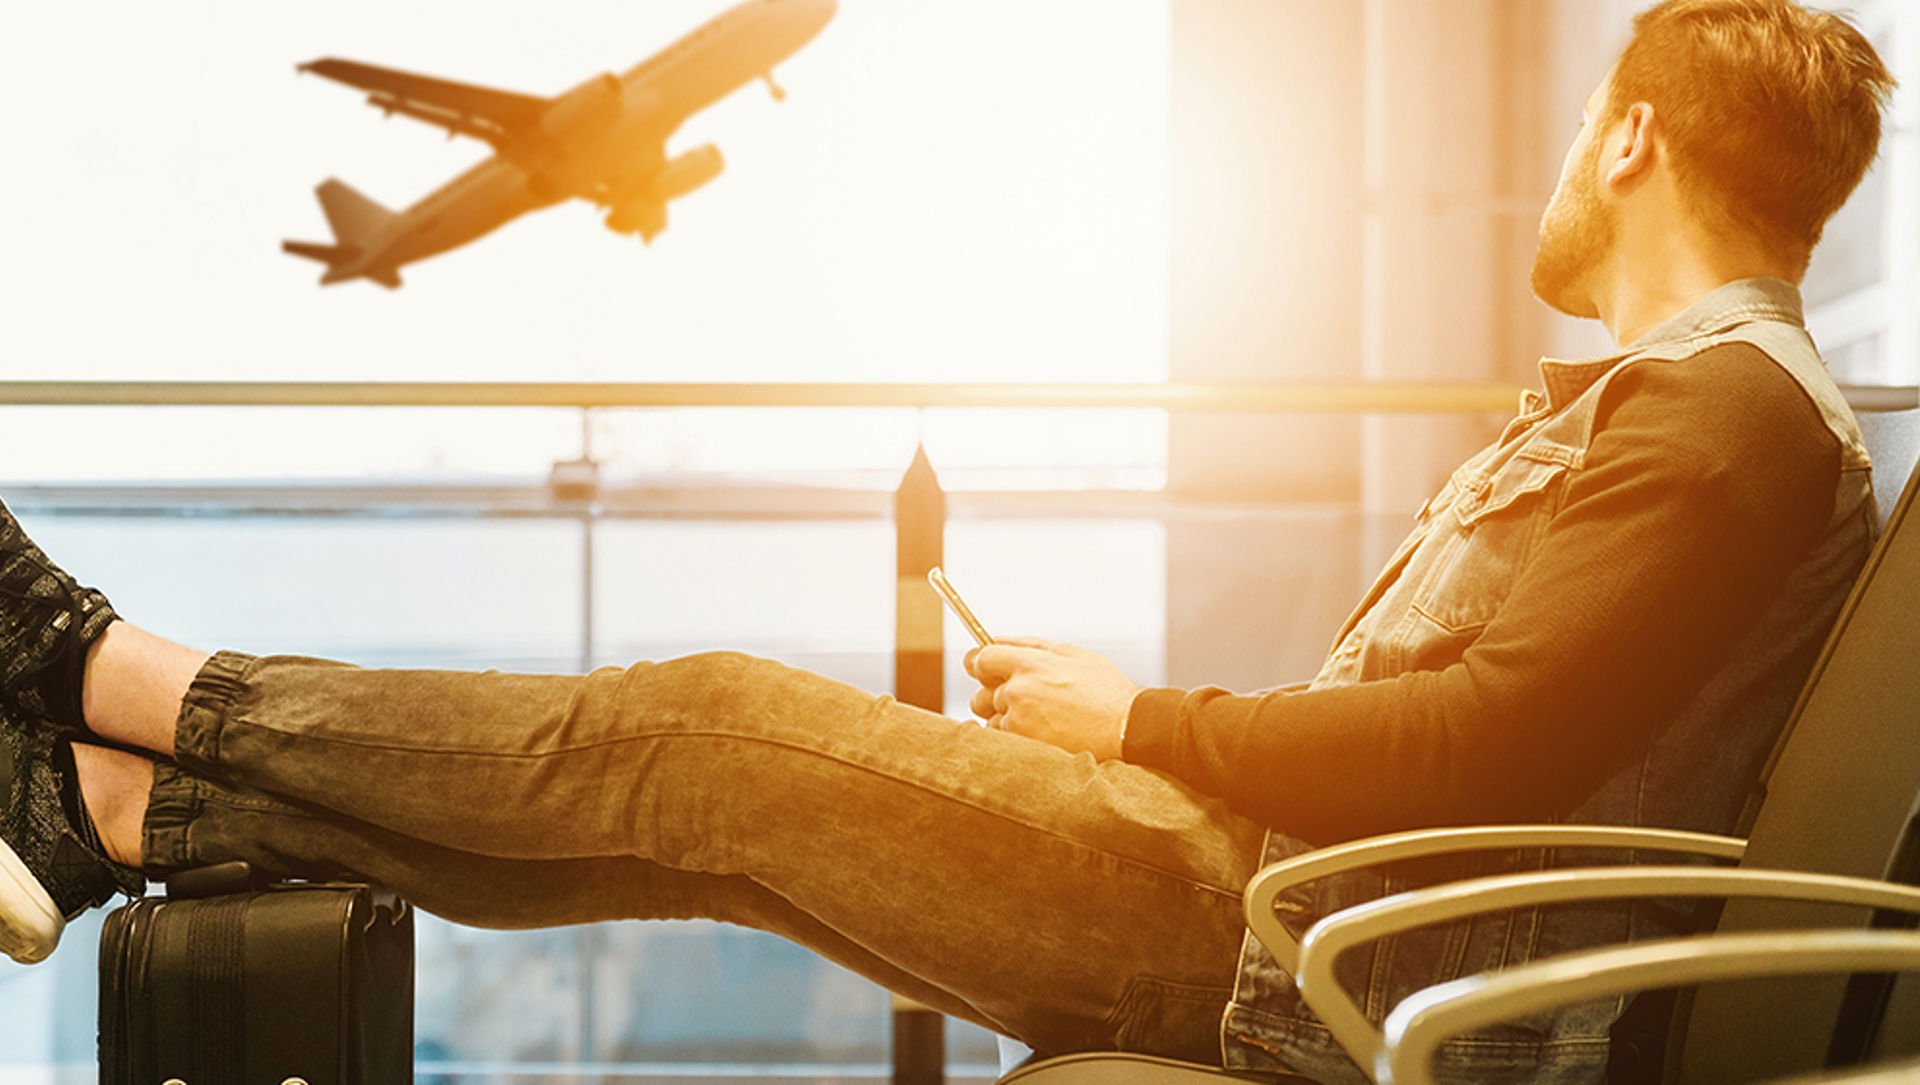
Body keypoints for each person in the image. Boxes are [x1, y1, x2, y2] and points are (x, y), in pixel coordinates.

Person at [0, 0, 1898, 1080]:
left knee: (699, 733)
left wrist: (1133, 719)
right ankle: (106, 810)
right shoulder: (1709, 415)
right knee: (699, 825)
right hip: (1293, 910)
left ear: (1637, 139)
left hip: (1292, 941)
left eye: (1585, 133)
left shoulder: (1724, 415)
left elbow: (1480, 749)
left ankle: (113, 678)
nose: (1567, 167)